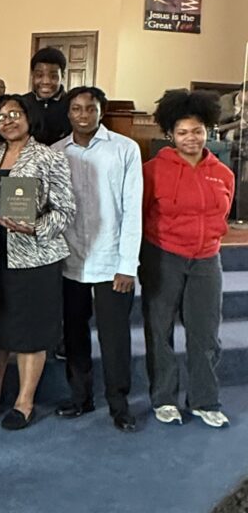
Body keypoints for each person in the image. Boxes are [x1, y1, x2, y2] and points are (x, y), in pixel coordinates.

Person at [0, 93, 76, 429]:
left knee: (31, 331)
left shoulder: (50, 157)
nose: (8, 121)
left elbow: (65, 211)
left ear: (29, 116)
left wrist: (34, 227)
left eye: (14, 113)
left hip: (35, 258)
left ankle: (24, 402)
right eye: (1, 116)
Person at [140, 89, 235, 429]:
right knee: (159, 330)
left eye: (197, 131)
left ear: (207, 130)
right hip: (164, 256)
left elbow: (222, 214)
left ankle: (204, 401)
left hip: (207, 260)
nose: (191, 138)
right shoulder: (152, 171)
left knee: (205, 334)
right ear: (170, 135)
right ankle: (164, 399)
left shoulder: (223, 173)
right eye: (182, 132)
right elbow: (141, 214)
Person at [52, 87, 142, 432]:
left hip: (112, 260)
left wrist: (127, 265)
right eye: (76, 108)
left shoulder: (125, 149)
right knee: (74, 335)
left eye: (91, 108)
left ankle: (119, 405)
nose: (84, 115)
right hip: (71, 258)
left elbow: (132, 211)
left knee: (114, 337)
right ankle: (80, 397)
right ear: (68, 113)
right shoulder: (56, 152)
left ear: (101, 111)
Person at [22, 47, 71, 145]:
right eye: (39, 75)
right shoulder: (21, 103)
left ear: (63, 75)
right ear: (32, 75)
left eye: (53, 76)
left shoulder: (72, 104)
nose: (46, 82)